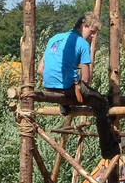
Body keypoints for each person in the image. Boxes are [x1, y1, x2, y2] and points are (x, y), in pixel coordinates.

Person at [38, 12, 119, 159]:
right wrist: (83, 93)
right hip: (68, 87)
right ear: (83, 25)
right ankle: (109, 150)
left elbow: (40, 69)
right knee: (102, 103)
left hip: (49, 86)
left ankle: (65, 106)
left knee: (72, 90)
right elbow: (87, 79)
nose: (93, 37)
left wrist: (56, 82)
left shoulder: (54, 38)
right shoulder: (81, 43)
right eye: (92, 32)